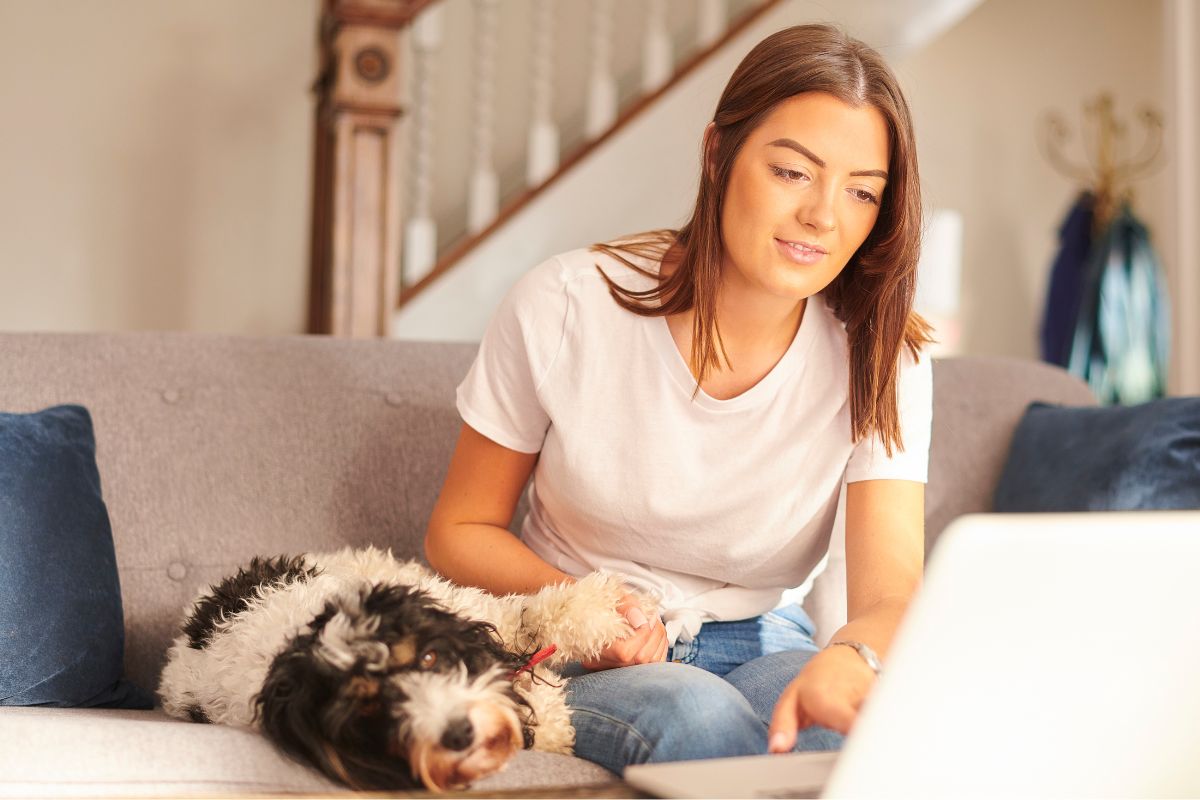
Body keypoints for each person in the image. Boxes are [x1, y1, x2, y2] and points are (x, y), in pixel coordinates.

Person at [424, 23, 933, 773]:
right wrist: (591, 607)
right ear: (717, 154)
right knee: (699, 722)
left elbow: (893, 592)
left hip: (761, 636)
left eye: (861, 192)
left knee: (838, 736)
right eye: (793, 172)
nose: (824, 216)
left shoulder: (880, 352)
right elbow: (458, 530)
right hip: (580, 639)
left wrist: (853, 656)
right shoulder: (568, 304)